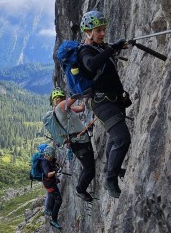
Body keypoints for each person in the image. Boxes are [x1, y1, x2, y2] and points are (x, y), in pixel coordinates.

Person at [77, 10, 131, 198]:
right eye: (98, 30)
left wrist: (115, 47)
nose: (102, 33)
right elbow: (91, 64)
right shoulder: (85, 50)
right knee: (122, 139)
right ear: (88, 32)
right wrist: (112, 49)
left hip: (114, 100)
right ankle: (110, 177)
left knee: (114, 138)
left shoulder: (100, 47)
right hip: (102, 103)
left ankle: (111, 167)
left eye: (103, 30)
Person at [50, 88, 95, 202]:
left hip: (80, 141)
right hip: (79, 142)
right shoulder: (60, 107)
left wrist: (86, 97)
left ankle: (81, 188)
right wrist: (86, 87)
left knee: (87, 167)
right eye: (59, 99)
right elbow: (75, 97)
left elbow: (81, 108)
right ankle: (80, 189)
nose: (59, 101)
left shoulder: (65, 110)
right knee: (89, 169)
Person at [41, 145, 63, 229]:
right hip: (50, 185)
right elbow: (48, 174)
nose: (51, 157)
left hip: (51, 183)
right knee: (59, 200)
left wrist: (55, 177)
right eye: (51, 156)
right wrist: (56, 171)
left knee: (54, 198)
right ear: (47, 154)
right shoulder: (44, 162)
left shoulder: (48, 160)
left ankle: (50, 211)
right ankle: (54, 220)